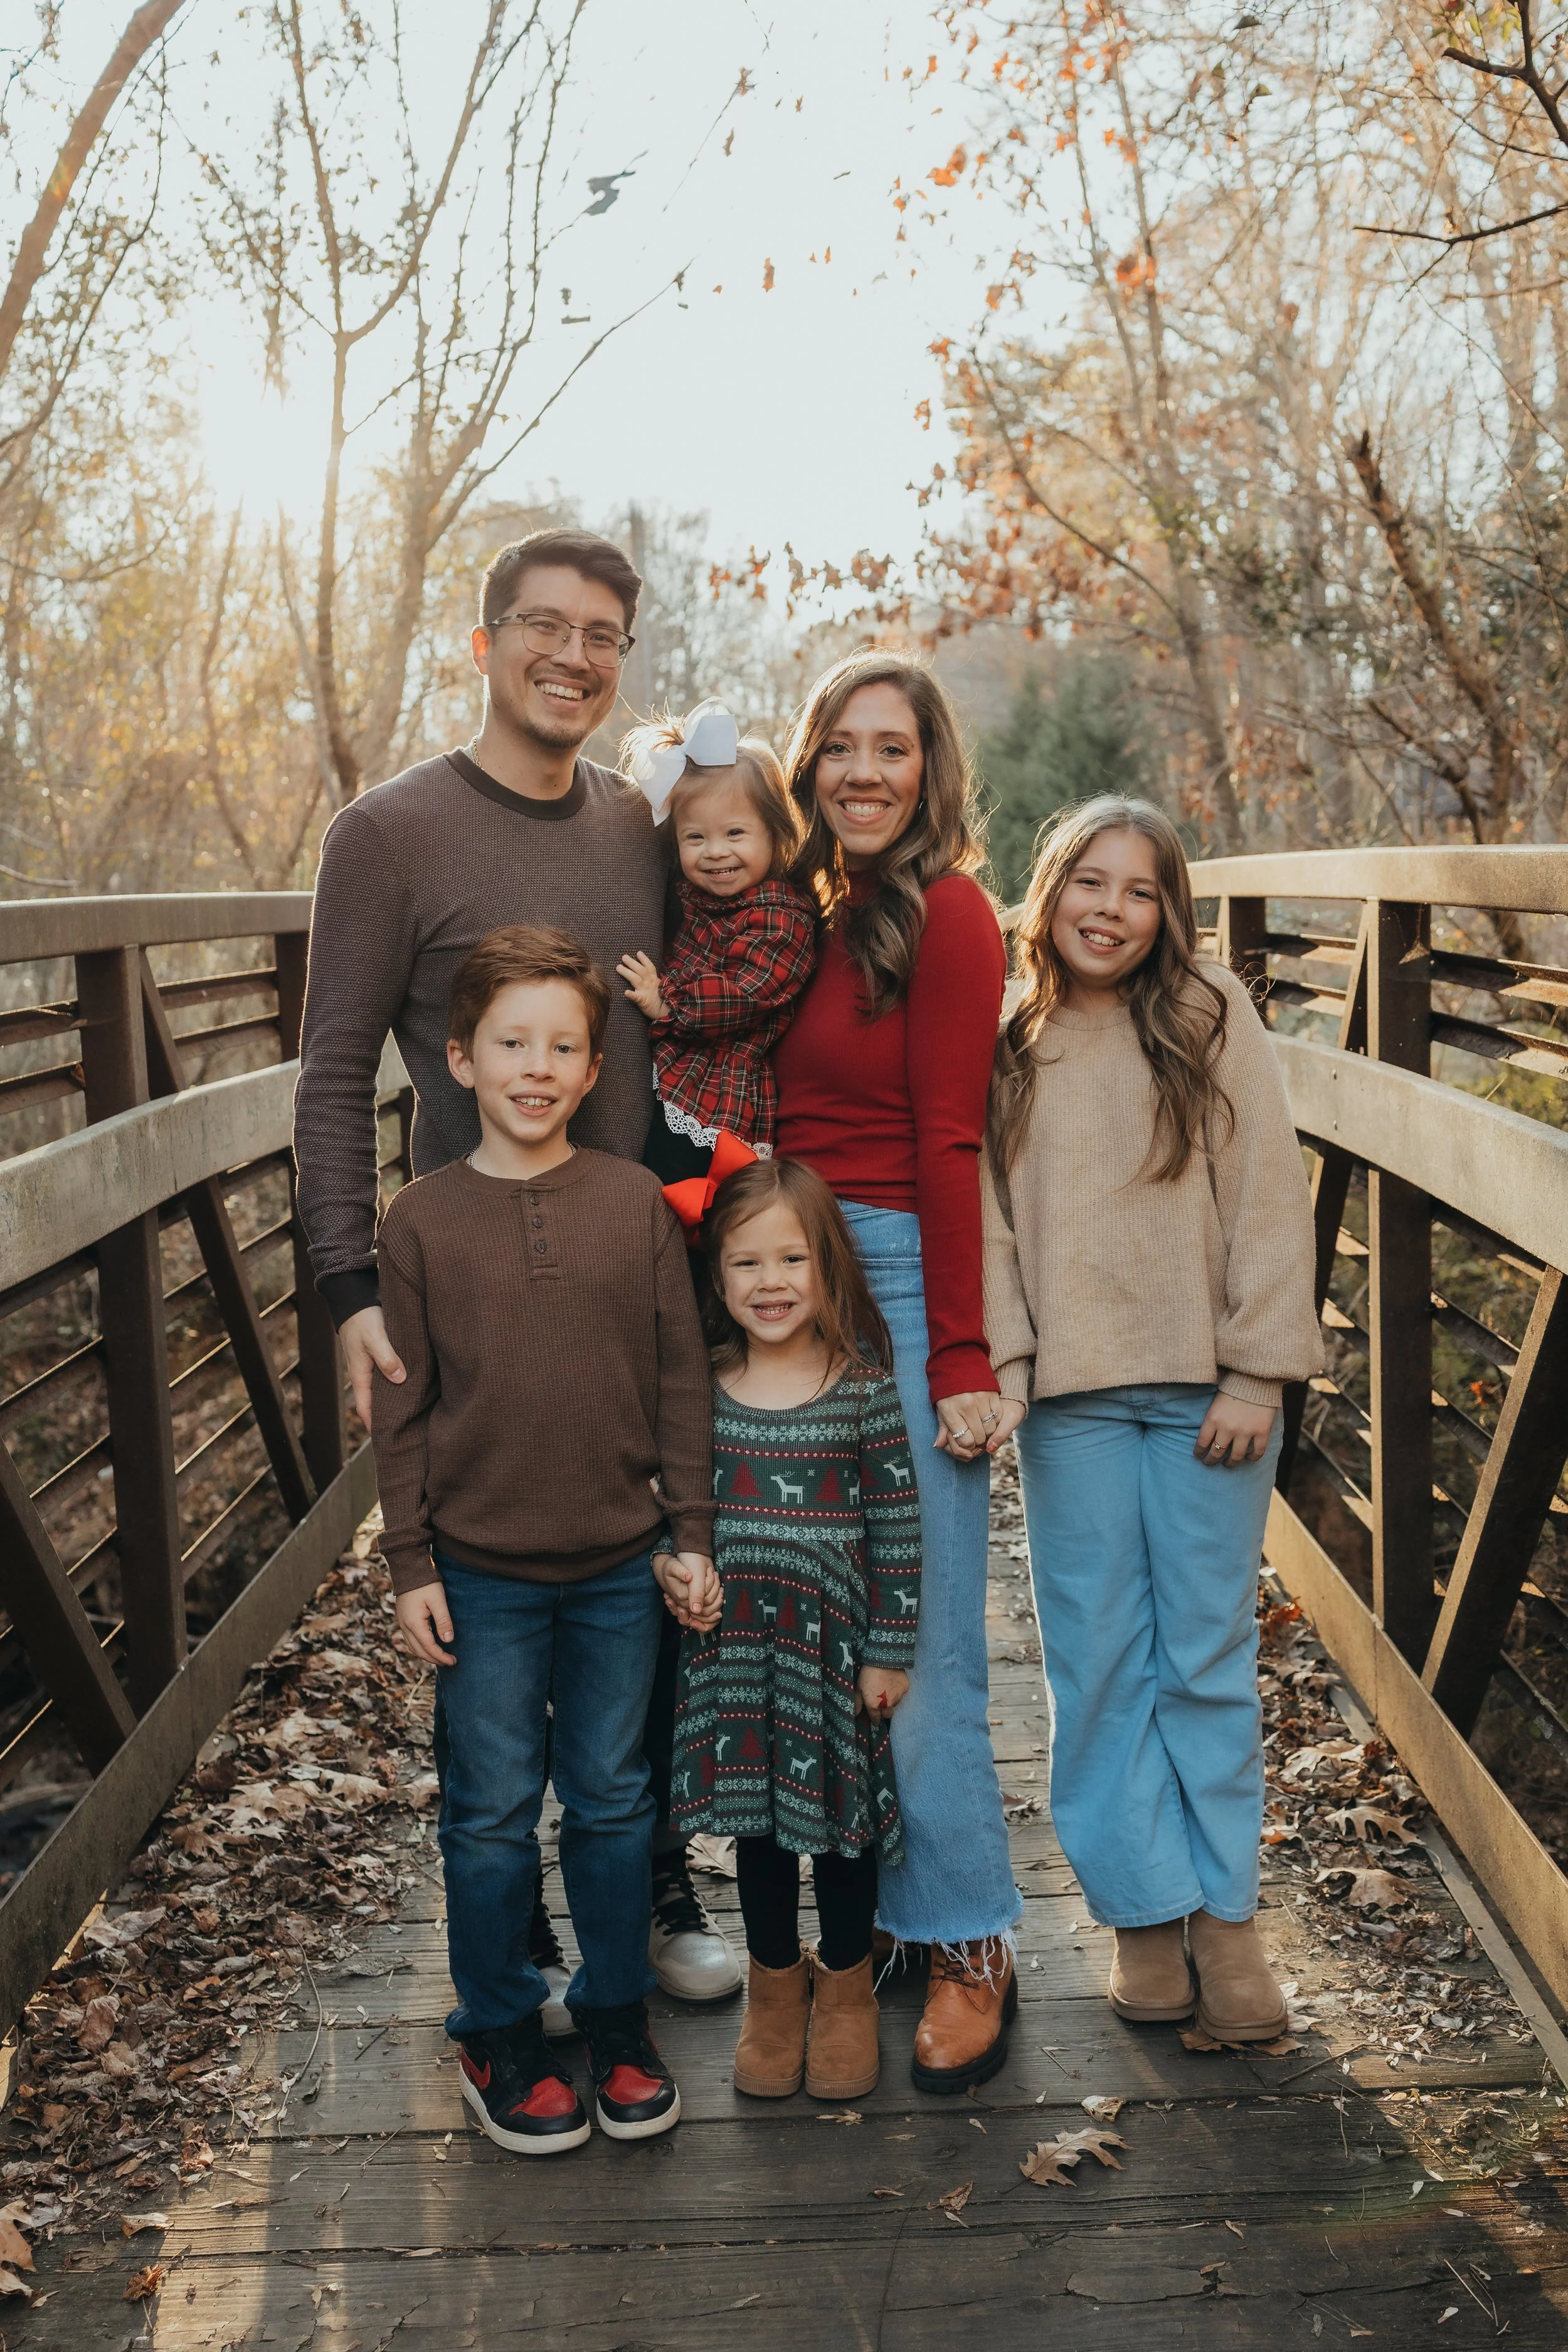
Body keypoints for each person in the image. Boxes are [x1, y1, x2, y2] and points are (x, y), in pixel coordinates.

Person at [292, 526, 740, 2008]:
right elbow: (333, 1068)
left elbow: (715, 1002)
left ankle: (655, 1869)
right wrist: (348, 1283)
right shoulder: (390, 833)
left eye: (603, 633)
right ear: (483, 645)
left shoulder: (638, 826)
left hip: (649, 1275)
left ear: (623, 661)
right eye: (544, 626)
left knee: (654, 1573)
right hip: (471, 1290)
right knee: (492, 1621)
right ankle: (515, 1929)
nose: (573, 653)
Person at [369, 925, 719, 2153]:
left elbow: (682, 1382)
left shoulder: (632, 1204)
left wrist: (692, 1531)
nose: (536, 1066)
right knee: (488, 1812)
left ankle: (616, 2019)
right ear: (459, 1060)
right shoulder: (419, 1222)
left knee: (617, 1804)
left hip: (621, 1567)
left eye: (561, 1045)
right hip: (480, 1575)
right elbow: (400, 1410)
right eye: (510, 1043)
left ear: (589, 1066)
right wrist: (409, 1563)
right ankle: (499, 2026)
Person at [982, 796, 1323, 2043]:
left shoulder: (1206, 1012)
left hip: (1207, 1397)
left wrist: (1255, 1369)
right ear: (1049, 888)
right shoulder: (1008, 1033)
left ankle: (1226, 1931)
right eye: (1089, 882)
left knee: (1204, 1662)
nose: (1109, 911)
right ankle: (1141, 1923)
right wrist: (1007, 1362)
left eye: (1138, 891)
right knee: (1096, 1667)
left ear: (1166, 911)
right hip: (1067, 1402)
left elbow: (1270, 1192)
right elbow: (985, 1218)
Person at [772, 650, 1020, 2095]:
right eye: (842, 747)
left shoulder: (954, 913)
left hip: (904, 1271)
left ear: (930, 772)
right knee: (818, 1626)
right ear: (809, 764)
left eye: (895, 749)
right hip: (780, 1275)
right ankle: (864, 1928)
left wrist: (963, 1353)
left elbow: (951, 1138)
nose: (866, 771)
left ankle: (973, 1933)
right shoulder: (791, 915)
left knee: (924, 1650)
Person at [667, 1158, 921, 2102]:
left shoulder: (861, 1388)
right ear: (716, 1275)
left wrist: (890, 1647)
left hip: (832, 1657)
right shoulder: (704, 1387)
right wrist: (672, 1566)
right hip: (735, 1656)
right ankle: (775, 1988)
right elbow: (678, 1509)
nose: (770, 1283)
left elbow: (898, 1526)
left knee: (841, 1832)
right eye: (746, 1264)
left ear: (828, 1267)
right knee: (760, 1832)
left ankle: (846, 1985)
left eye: (792, 1259)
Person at [615, 698, 815, 1184]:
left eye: (735, 833)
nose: (716, 852)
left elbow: (744, 992)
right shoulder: (690, 901)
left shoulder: (781, 918)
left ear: (774, 833)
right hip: (678, 1081)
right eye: (696, 838)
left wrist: (667, 1003)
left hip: (721, 1104)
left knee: (687, 1202)